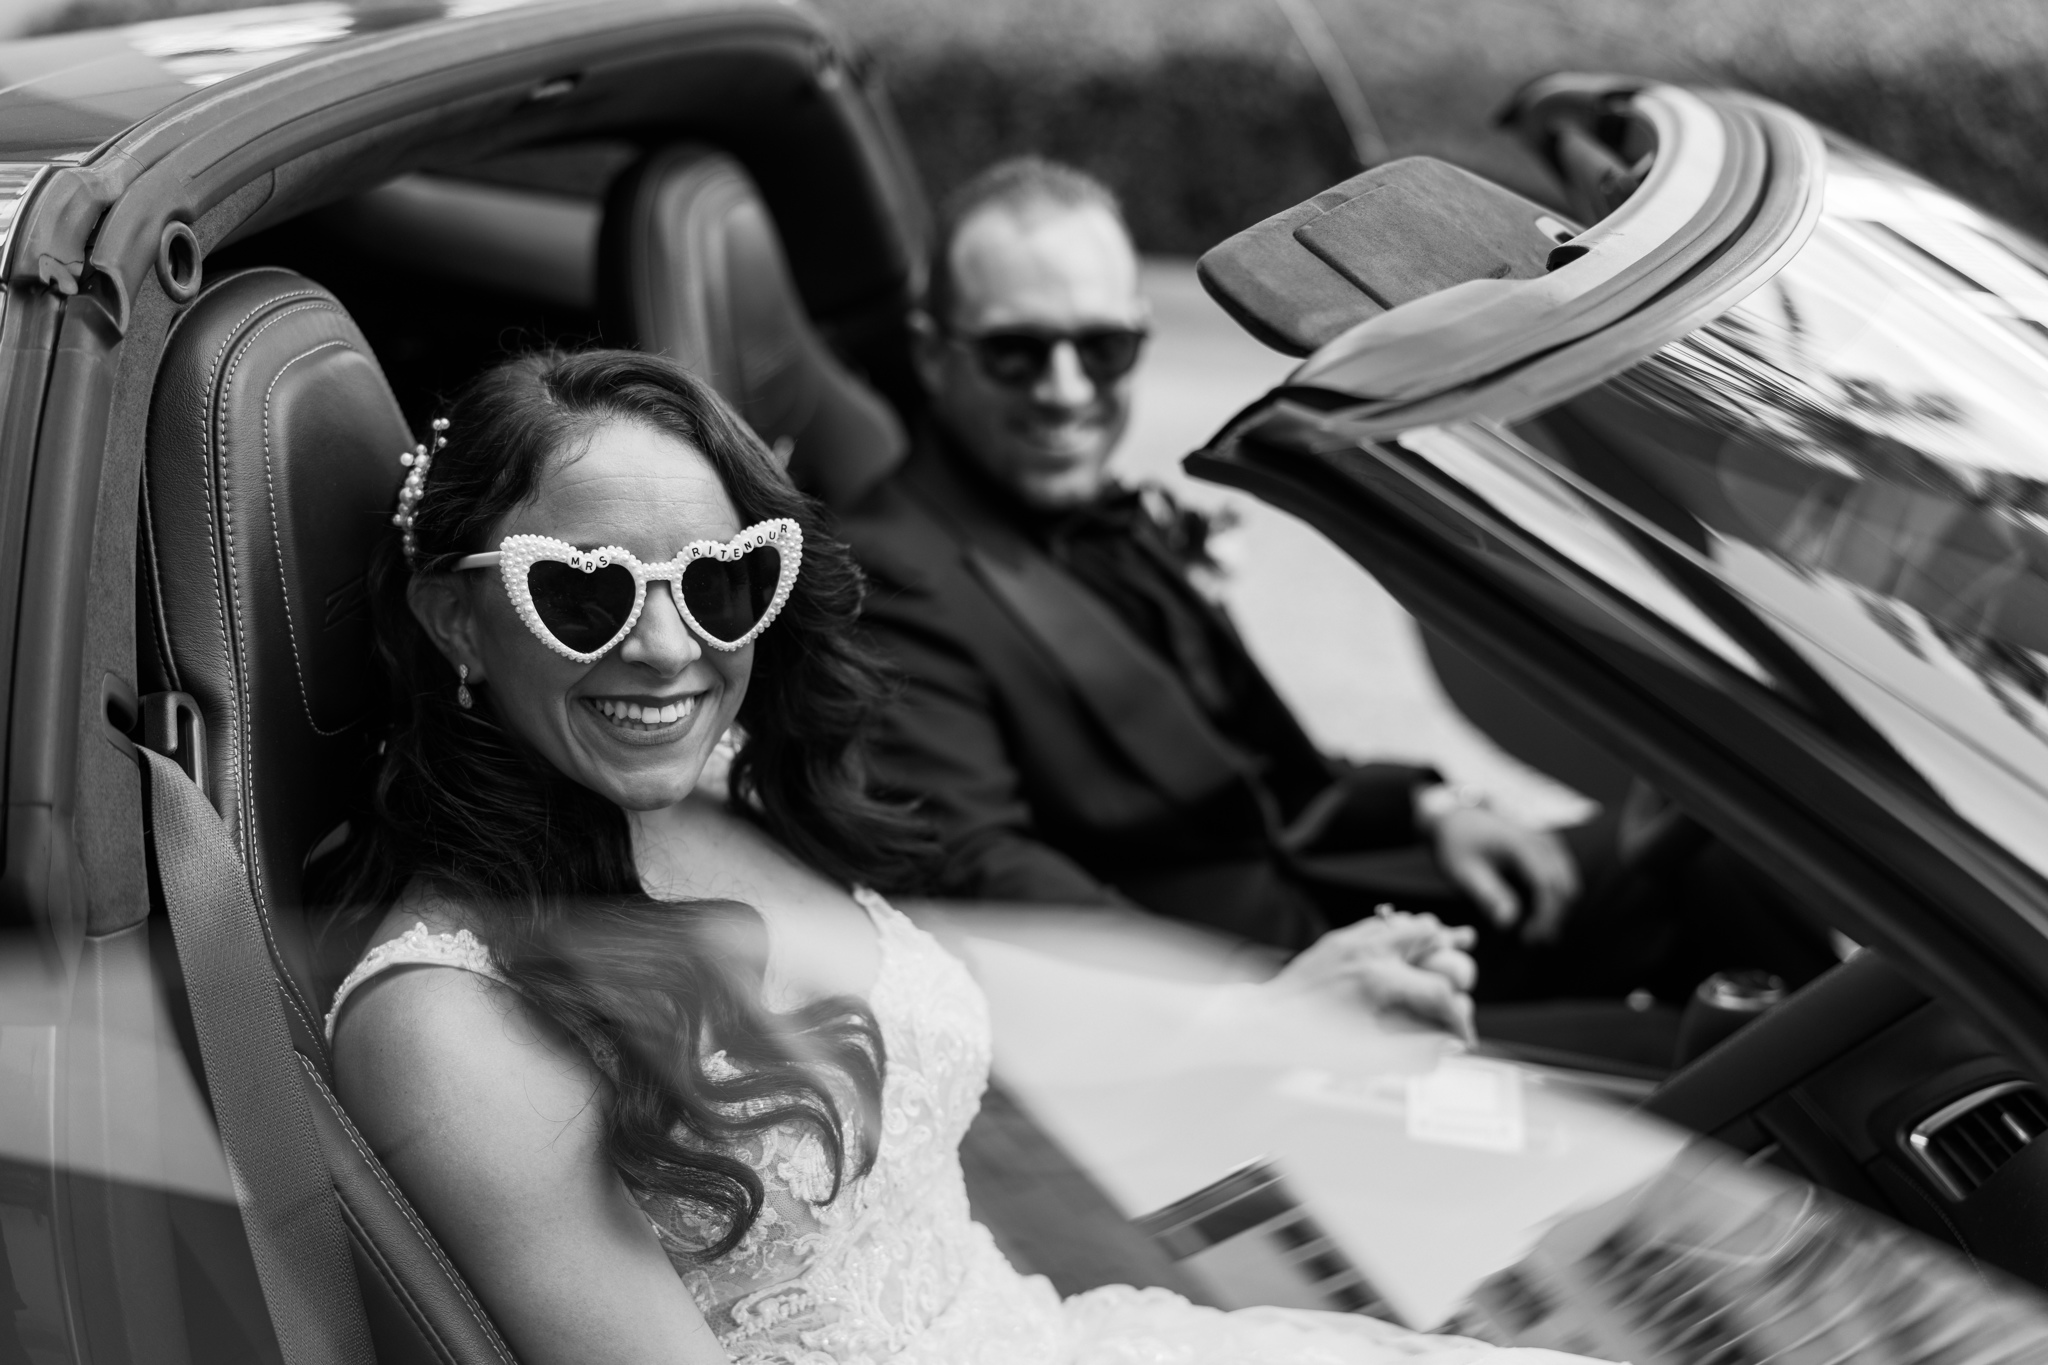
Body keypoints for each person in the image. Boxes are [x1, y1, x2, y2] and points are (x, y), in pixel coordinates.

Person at [320, 348, 1600, 1364]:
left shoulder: (728, 798)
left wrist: (1263, 1027)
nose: (665, 648)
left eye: (719, 582)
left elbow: (938, 1129)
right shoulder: (447, 1017)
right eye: (586, 589)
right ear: (457, 619)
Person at [836, 157, 1839, 1006]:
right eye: (1016, 354)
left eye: (1100, 349)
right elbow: (979, 872)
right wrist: (1256, 1012)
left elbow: (1264, 774)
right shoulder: (891, 570)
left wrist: (1428, 813)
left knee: (1727, 844)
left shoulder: (1095, 519)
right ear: (934, 357)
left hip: (1371, 891)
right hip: (1285, 1001)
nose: (1064, 393)